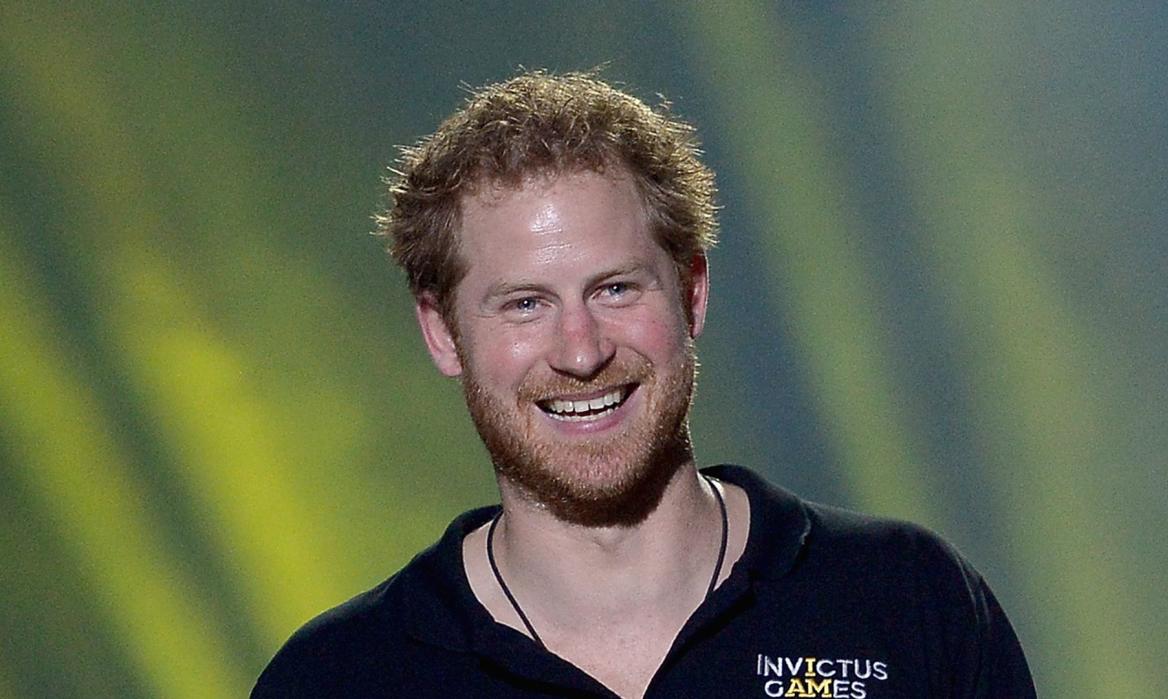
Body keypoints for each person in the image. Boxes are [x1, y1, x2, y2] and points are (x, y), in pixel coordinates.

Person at [252, 70, 1036, 698]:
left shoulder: (906, 604)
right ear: (441, 331)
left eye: (616, 289)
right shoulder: (339, 677)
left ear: (692, 291)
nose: (582, 351)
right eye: (526, 303)